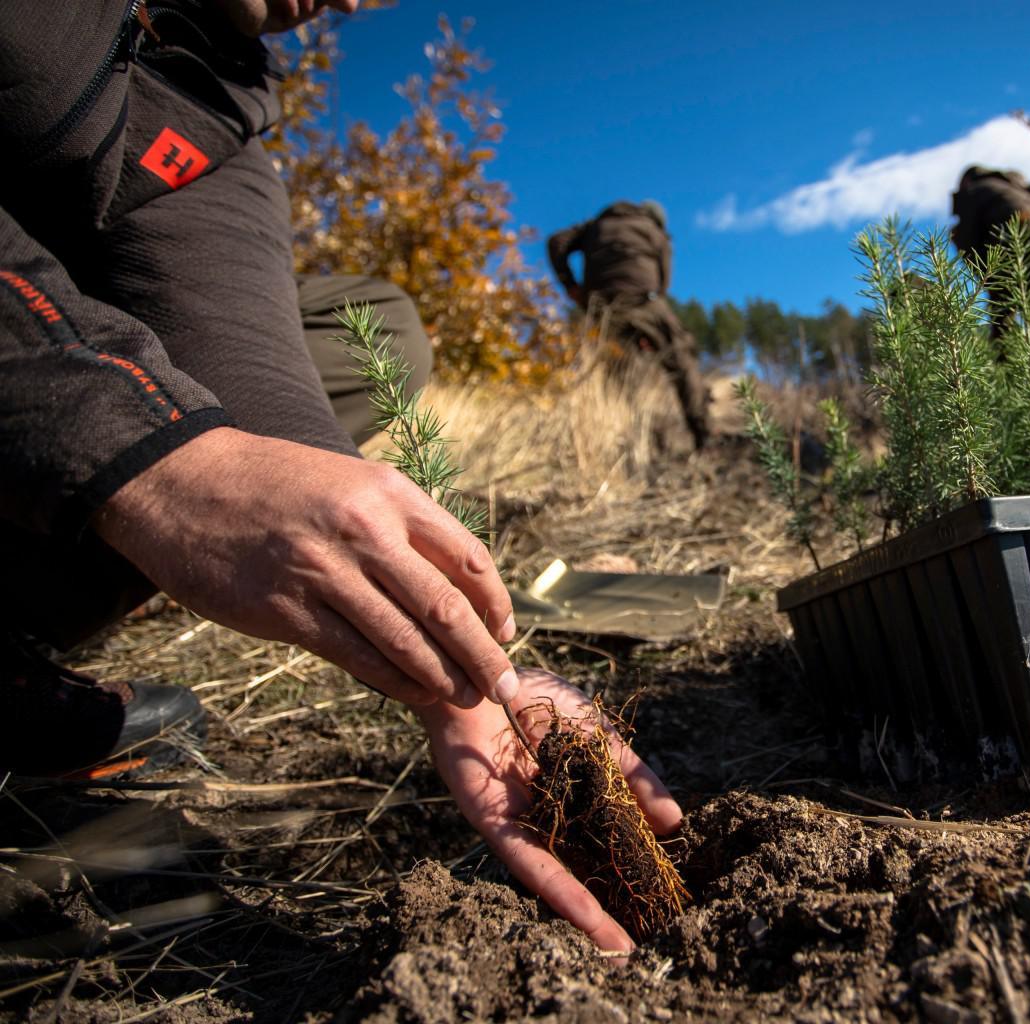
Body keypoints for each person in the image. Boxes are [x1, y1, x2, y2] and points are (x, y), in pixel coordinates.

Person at [0, 0, 677, 953]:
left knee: (369, 336)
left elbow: (245, 365)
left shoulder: (213, 101)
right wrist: (154, 454)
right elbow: (169, 441)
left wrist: (456, 681)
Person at [547, 201, 712, 449]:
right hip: (645, 301)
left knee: (618, 369)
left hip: (601, 307)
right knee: (682, 359)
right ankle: (703, 433)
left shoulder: (594, 226)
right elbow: (664, 281)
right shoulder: (654, 231)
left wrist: (571, 285)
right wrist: (650, 319)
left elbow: (556, 242)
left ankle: (622, 438)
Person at [950, 164, 1030, 338]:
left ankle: (1002, 361)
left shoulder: (975, 190)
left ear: (966, 181)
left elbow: (969, 241)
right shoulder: (1021, 191)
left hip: (1015, 257)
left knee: (1005, 322)